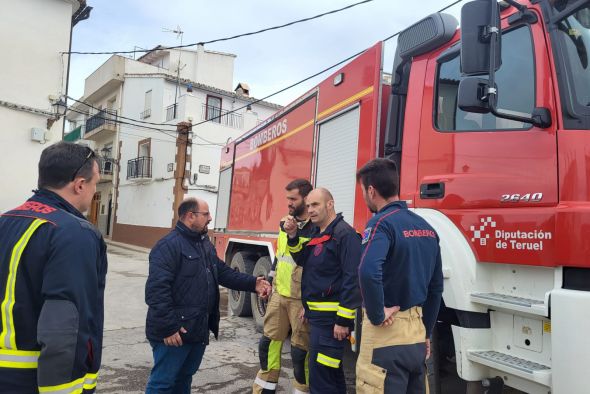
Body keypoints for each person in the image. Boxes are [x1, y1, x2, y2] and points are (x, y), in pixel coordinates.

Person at [0, 142, 107, 393]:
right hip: (31, 382)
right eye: (95, 184)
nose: (94, 192)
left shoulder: (5, 221)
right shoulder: (74, 233)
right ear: (79, 184)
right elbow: (63, 330)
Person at [145, 197, 271, 393]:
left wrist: (253, 283)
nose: (210, 218)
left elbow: (223, 272)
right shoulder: (167, 246)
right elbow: (156, 292)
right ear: (190, 217)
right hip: (175, 332)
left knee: (184, 378)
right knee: (163, 383)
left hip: (197, 328)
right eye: (206, 214)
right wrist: (169, 328)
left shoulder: (203, 244)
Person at [355, 158, 443, 394]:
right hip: (416, 337)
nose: (364, 196)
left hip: (386, 336)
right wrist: (425, 331)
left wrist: (376, 314)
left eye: (363, 191)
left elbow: (367, 270)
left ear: (371, 191)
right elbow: (436, 289)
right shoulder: (428, 228)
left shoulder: (380, 223)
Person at [284, 188, 361, 394]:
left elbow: (353, 280)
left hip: (331, 322)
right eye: (308, 206)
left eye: (315, 205)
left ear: (330, 204)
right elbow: (303, 261)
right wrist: (292, 236)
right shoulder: (320, 234)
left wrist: (343, 320)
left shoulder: (344, 235)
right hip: (318, 320)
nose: (310, 210)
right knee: (331, 376)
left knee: (321, 381)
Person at [253, 179, 314, 394]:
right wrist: (269, 281)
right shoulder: (285, 222)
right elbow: (280, 256)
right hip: (279, 294)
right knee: (268, 343)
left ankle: (301, 390)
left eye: (293, 199)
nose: (288, 203)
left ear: (306, 199)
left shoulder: (315, 227)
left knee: (300, 353)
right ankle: (264, 389)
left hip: (300, 299)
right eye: (287, 198)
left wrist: (311, 302)